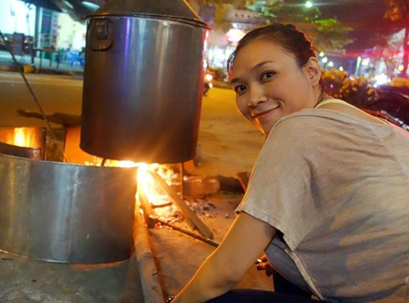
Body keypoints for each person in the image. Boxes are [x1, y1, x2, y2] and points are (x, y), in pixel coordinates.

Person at [170, 23, 409, 303]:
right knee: (280, 249)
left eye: (268, 74)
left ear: (311, 71)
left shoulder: (298, 129)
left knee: (211, 299)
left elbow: (225, 270)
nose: (253, 99)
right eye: (241, 87)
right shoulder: (367, 120)